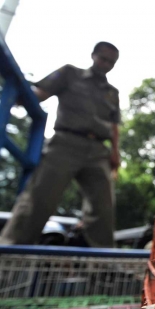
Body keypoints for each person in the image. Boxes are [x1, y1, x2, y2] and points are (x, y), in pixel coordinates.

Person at [0, 41, 121, 247]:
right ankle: (10, 251)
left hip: (98, 150)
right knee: (40, 198)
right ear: (93, 55)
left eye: (111, 61)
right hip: (66, 143)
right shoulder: (69, 73)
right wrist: (17, 95)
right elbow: (39, 93)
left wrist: (115, 153)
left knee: (103, 208)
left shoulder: (112, 92)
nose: (106, 64)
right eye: (103, 58)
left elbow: (114, 125)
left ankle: (103, 267)